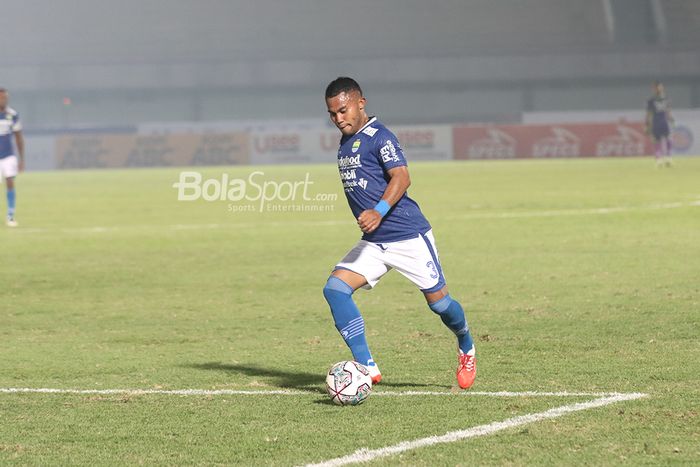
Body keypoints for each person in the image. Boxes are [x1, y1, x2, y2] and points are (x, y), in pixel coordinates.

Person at [322, 77, 476, 389]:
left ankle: (466, 343)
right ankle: (366, 367)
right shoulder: (345, 143)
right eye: (333, 114)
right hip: (375, 242)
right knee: (335, 289)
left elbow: (402, 177)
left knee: (440, 304)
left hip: (407, 235)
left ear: (360, 103)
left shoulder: (381, 137)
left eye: (343, 110)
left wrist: (377, 212)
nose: (339, 119)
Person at [0, 87, 24, 226]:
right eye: (1, 97)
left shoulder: (12, 115)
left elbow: (19, 137)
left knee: (10, 181)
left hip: (8, 155)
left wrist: (22, 159)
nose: (4, 100)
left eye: (5, 97)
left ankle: (10, 215)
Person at [645, 81, 674, 167]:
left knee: (664, 139)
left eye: (659, 87)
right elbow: (649, 114)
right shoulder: (654, 100)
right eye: (657, 87)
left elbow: (668, 111)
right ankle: (663, 158)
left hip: (661, 121)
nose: (659, 89)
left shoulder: (663, 99)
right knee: (661, 139)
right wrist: (647, 125)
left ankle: (664, 158)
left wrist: (671, 119)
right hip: (659, 122)